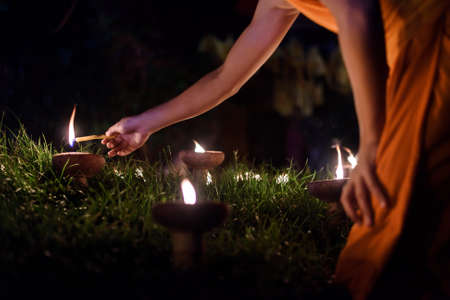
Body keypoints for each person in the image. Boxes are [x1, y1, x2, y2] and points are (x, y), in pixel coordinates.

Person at [103, 0, 450, 299]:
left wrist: (373, 145)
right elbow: (226, 78)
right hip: (416, 58)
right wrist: (145, 123)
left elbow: (356, 11)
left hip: (434, 52)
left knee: (394, 230)